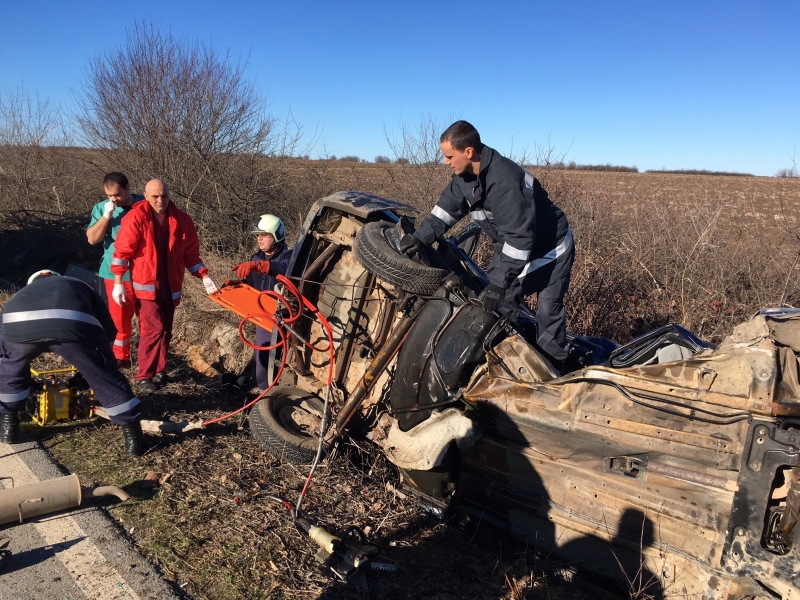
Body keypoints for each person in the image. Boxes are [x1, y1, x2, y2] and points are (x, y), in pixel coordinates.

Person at [399, 120, 574, 368]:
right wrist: (419, 238)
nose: (446, 162)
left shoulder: (505, 181)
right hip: (515, 247)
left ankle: (554, 372)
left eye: (449, 156)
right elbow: (444, 213)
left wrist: (500, 284)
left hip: (551, 249)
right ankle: (507, 354)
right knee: (496, 299)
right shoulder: (464, 177)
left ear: (468, 152)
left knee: (546, 312)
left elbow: (519, 239)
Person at [0, 270, 146, 455]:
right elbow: (107, 330)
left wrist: (24, 380)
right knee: (105, 378)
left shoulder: (23, 293)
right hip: (71, 325)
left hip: (18, 328)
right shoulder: (80, 285)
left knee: (10, 372)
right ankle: (134, 441)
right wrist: (96, 364)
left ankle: (8, 428)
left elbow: (4, 346)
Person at [110, 179, 218, 396]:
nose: (160, 200)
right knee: (153, 330)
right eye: (155, 196)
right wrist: (118, 282)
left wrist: (204, 276)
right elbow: (122, 253)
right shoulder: (135, 217)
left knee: (165, 331)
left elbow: (191, 255)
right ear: (146, 196)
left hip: (171, 286)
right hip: (146, 286)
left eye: (164, 196)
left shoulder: (182, 220)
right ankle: (144, 375)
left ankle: (159, 370)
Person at [86, 172, 144, 368]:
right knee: (119, 321)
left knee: (147, 320)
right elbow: (93, 239)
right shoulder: (102, 208)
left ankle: (147, 361)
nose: (113, 199)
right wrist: (106, 216)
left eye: (117, 195)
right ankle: (121, 358)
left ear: (128, 188)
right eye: (109, 195)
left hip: (146, 274)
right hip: (114, 274)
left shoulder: (146, 203)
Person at [231, 214, 293, 391]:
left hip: (284, 317)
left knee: (284, 363)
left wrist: (260, 267)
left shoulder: (290, 256)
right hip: (263, 318)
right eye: (258, 235)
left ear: (276, 236)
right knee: (263, 362)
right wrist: (236, 287)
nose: (259, 239)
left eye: (264, 235)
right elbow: (250, 286)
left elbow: (284, 269)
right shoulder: (256, 258)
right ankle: (264, 397)